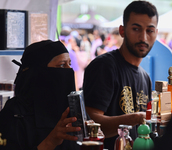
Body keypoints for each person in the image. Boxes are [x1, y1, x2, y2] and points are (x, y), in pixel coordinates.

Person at [83, 1, 158, 150]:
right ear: (122, 31)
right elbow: (90, 125)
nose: (143, 37)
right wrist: (136, 118)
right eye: (136, 29)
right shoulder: (104, 66)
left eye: (150, 30)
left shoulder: (145, 77)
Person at [0, 40, 81, 150]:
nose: (69, 70)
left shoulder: (68, 110)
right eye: (62, 65)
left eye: (69, 64)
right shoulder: (14, 114)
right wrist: (50, 142)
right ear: (39, 72)